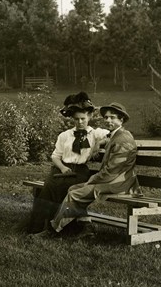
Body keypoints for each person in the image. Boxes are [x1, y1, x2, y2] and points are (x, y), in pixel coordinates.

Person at [33, 102, 137, 240]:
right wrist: (98, 144)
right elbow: (107, 141)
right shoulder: (116, 135)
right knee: (72, 188)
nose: (108, 121)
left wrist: (91, 180)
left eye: (112, 117)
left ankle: (53, 230)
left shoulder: (123, 139)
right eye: (106, 118)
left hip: (120, 184)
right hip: (113, 180)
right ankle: (86, 226)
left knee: (75, 194)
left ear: (121, 119)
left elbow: (112, 171)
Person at [25, 92, 109, 234]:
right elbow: (55, 157)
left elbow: (112, 136)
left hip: (80, 172)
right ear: (72, 119)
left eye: (83, 119)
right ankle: (39, 227)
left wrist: (98, 144)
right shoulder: (64, 136)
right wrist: (63, 167)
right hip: (61, 170)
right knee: (48, 189)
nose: (80, 122)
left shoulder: (95, 133)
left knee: (70, 189)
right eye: (76, 119)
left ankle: (66, 227)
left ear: (89, 116)